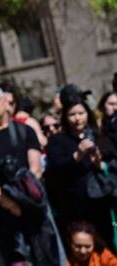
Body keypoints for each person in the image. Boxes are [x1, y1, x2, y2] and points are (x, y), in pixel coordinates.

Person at [0, 84, 53, 266]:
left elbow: (36, 169)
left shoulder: (26, 131)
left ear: (6, 102)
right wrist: (3, 198)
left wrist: (21, 198)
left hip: (29, 207)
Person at [46, 88, 117, 252]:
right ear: (65, 116)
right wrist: (76, 156)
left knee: (106, 248)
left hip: (102, 203)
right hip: (74, 206)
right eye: (72, 114)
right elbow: (55, 171)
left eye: (81, 113)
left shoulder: (100, 137)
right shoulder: (58, 141)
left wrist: (100, 165)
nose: (77, 118)